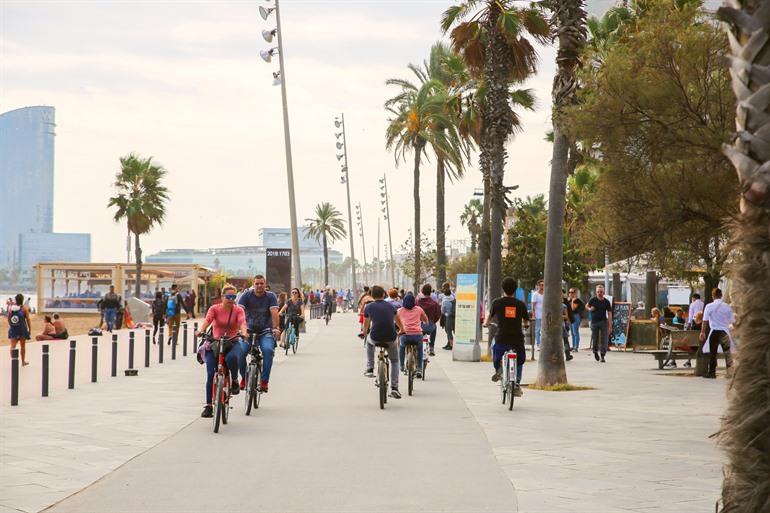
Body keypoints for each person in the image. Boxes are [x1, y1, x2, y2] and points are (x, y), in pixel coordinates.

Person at [195, 284, 247, 418]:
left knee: (232, 358)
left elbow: (242, 322)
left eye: (233, 297)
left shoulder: (238, 310)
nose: (231, 299)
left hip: (232, 342)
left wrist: (245, 333)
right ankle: (208, 406)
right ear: (222, 297)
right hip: (215, 343)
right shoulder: (214, 309)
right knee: (211, 373)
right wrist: (200, 331)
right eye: (228, 296)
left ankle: (234, 380)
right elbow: (207, 321)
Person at [483, 277, 529, 396]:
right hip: (517, 339)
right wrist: (525, 325)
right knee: (519, 360)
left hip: (501, 338)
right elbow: (526, 321)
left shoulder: (497, 302)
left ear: (503, 288)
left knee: (494, 347)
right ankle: (517, 383)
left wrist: (486, 323)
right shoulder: (520, 304)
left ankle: (499, 369)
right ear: (515, 289)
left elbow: (489, 317)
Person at [237, 275, 280, 393]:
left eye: (262, 283)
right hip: (248, 331)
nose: (259, 286)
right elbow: (239, 312)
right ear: (253, 284)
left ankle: (264, 381)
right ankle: (244, 378)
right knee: (240, 352)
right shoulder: (246, 295)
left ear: (265, 284)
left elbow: (274, 313)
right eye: (257, 283)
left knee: (268, 351)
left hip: (265, 331)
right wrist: (238, 328)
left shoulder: (270, 296)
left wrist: (275, 327)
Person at [362, 285, 402, 399]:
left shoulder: (369, 307)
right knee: (394, 361)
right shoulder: (391, 306)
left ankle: (370, 368)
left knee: (369, 342)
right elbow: (397, 320)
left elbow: (366, 324)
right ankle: (394, 388)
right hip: (390, 338)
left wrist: (365, 333)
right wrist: (402, 329)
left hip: (375, 337)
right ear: (384, 294)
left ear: (372, 296)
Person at [699, 288, 735, 379]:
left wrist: (702, 332)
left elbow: (705, 321)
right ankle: (730, 372)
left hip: (714, 331)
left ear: (713, 296)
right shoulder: (727, 306)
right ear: (721, 295)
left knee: (713, 353)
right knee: (727, 353)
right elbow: (733, 320)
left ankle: (712, 373)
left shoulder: (709, 306)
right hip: (725, 331)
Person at [397, 292, 427, 378]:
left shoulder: (400, 310)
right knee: (419, 349)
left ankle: (402, 366)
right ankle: (419, 369)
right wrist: (425, 322)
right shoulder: (419, 309)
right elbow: (425, 319)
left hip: (405, 335)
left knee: (401, 347)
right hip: (417, 335)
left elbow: (395, 320)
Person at [587, 284, 612, 362]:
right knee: (595, 338)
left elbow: (610, 313)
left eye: (601, 292)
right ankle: (595, 352)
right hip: (594, 322)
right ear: (596, 292)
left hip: (603, 321)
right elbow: (587, 306)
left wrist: (610, 325)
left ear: (603, 292)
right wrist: (590, 309)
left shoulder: (606, 302)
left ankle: (603, 355)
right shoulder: (593, 299)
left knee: (604, 338)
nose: (599, 293)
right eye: (598, 292)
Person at [7, 293, 31, 365]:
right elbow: (28, 320)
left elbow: (8, 319)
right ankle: (23, 361)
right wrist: (29, 329)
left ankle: (13, 361)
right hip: (22, 329)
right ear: (22, 300)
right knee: (22, 346)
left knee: (13, 346)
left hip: (14, 328)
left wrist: (12, 326)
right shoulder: (24, 309)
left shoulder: (11, 308)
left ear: (16, 300)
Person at [417, 284, 441, 356]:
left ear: (422, 291)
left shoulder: (418, 302)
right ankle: (431, 347)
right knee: (435, 328)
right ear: (430, 292)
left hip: (419, 326)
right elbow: (438, 315)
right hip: (430, 325)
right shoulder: (434, 303)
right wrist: (433, 322)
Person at [440, 282, 456, 350]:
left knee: (448, 331)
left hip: (448, 316)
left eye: (443, 287)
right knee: (449, 331)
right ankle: (449, 343)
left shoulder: (445, 298)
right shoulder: (452, 296)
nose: (442, 288)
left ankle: (450, 344)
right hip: (454, 315)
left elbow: (443, 309)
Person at [531, 280, 544, 348]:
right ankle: (538, 344)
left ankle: (542, 344)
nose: (542, 286)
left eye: (543, 285)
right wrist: (533, 315)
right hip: (538, 314)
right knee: (538, 330)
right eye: (541, 285)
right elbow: (533, 305)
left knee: (543, 330)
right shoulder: (535, 294)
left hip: (544, 315)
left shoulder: (546, 294)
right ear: (538, 286)